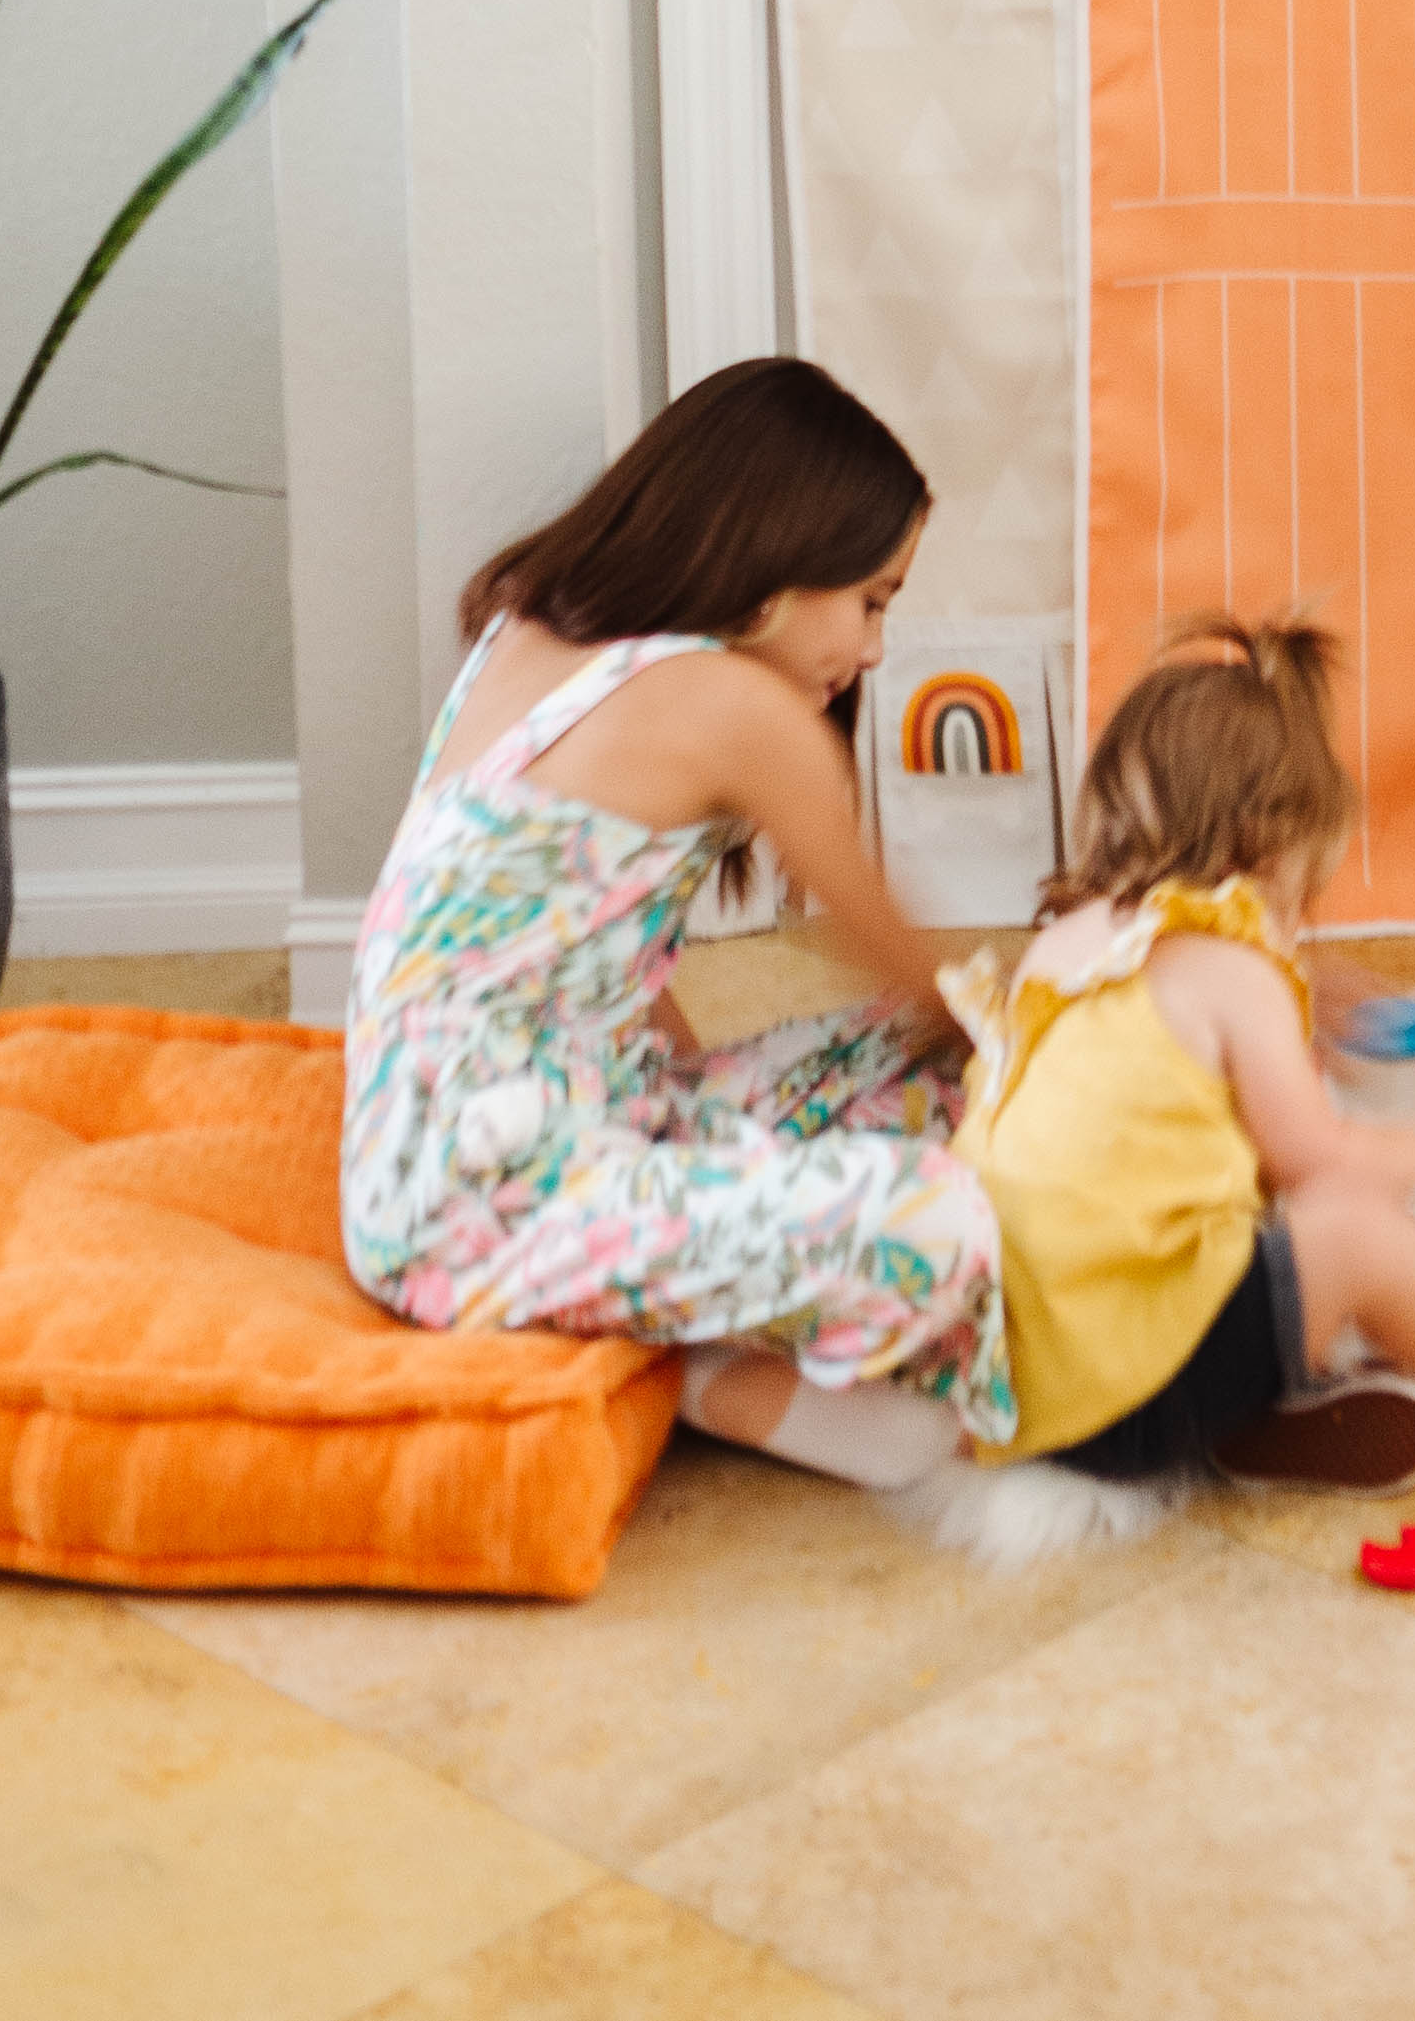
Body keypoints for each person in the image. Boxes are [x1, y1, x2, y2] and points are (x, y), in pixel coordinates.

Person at [341, 354, 1009, 1486]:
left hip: (492, 1132)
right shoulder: (734, 707)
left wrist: (710, 1117)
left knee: (891, 1064)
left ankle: (695, 1333)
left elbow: (577, 939)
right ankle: (690, 1371)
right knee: (947, 1211)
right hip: (475, 1210)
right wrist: (1052, 1035)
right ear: (776, 569)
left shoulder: (533, 632)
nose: (874, 649)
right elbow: (900, 956)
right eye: (871, 601)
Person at [957, 617, 1415, 1490]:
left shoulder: (1067, 949)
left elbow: (1164, 1144)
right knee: (1351, 1231)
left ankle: (1272, 1408)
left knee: (1269, 1238)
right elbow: (1314, 1157)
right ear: (1272, 846)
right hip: (1133, 1389)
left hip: (1027, 1374)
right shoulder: (1232, 966)